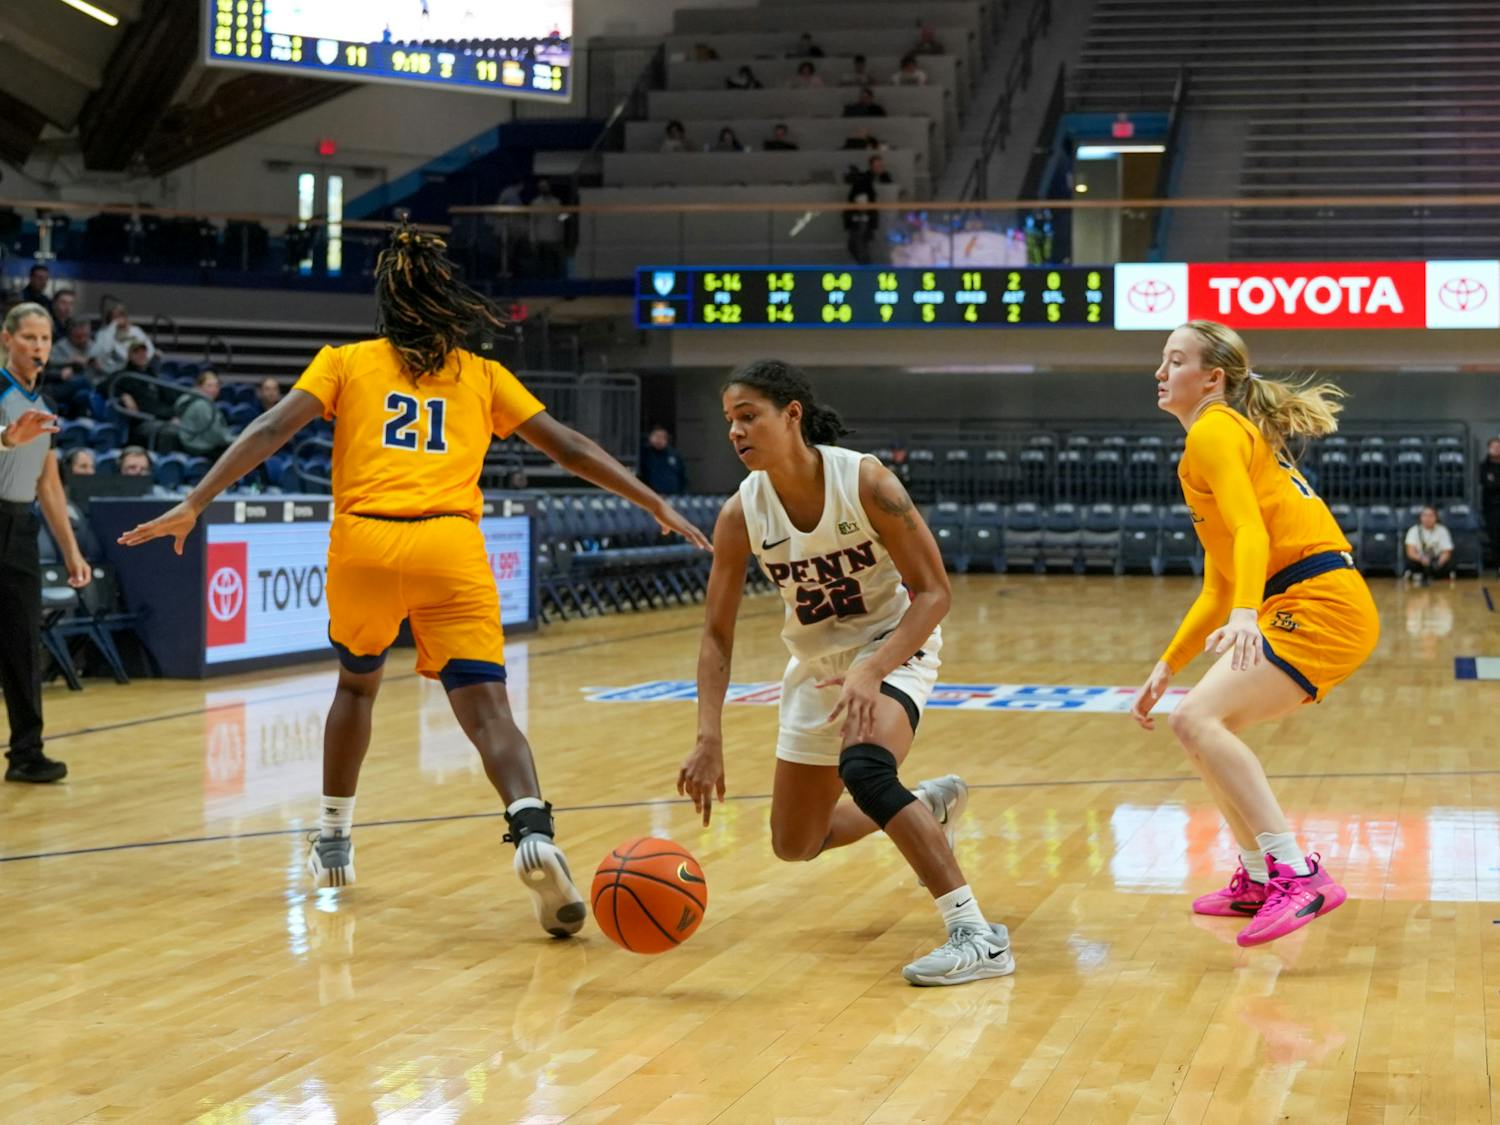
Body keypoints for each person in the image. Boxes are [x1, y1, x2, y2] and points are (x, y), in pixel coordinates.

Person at [120, 227, 710, 938]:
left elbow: (273, 428)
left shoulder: (346, 362)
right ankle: (530, 829)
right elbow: (571, 446)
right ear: (447, 308)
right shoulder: (481, 373)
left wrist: (195, 501)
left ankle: (334, 834)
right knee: (488, 708)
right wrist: (652, 501)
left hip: (366, 540)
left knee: (356, 684)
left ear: (388, 307)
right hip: (448, 545)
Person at [677, 358, 1013, 987]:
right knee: (795, 843)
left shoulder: (864, 482)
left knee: (865, 768)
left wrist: (873, 669)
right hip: (815, 667)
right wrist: (708, 737)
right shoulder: (739, 515)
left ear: (792, 415)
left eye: (748, 416)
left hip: (895, 643)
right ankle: (925, 807)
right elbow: (716, 635)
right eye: (729, 421)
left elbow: (934, 591)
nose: (735, 432)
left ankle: (976, 935)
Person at [1130, 321, 1379, 947]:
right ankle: (1258, 875)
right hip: (1304, 597)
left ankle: (1298, 873)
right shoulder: (1212, 440)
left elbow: (1251, 535)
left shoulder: (1215, 429)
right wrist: (1169, 662)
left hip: (1320, 599)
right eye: (1162, 359)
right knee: (1201, 728)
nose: (1161, 371)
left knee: (1198, 722)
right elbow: (1218, 582)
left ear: (1212, 378)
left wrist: (1247, 613)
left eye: (1176, 359)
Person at [0, 303, 90, 783]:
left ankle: (27, 754)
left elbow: (48, 483)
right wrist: (7, 440)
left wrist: (72, 551)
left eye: (44, 339)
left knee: (22, 642)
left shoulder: (46, 404)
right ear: (6, 339)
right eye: (29, 338)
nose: (38, 347)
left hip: (18, 527)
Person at [174, 369, 234, 460]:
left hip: (200, 443)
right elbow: (214, 434)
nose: (213, 389)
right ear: (199, 387)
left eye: (216, 386)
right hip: (198, 446)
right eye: (209, 386)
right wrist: (233, 440)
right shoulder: (201, 404)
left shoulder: (205, 402)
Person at [90, 304, 155, 371]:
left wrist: (143, 360)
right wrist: (113, 325)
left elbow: (150, 347)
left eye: (121, 315)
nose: (119, 319)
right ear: (110, 320)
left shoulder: (135, 330)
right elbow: (106, 349)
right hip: (121, 368)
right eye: (115, 317)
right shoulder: (104, 333)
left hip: (144, 364)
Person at [1404, 505, 1454, 585]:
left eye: (1431, 515)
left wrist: (1439, 563)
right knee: (1411, 563)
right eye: (1425, 515)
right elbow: (1410, 552)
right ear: (1420, 517)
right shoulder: (1413, 530)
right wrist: (1421, 559)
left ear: (1436, 517)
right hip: (1420, 559)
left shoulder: (1442, 530)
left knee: (1448, 564)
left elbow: (1447, 552)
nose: (1428, 518)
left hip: (1436, 559)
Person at [640, 425, 687, 494]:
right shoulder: (645, 453)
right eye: (657, 436)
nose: (659, 440)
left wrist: (682, 492)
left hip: (673, 495)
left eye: (662, 437)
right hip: (652, 495)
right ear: (650, 437)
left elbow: (682, 475)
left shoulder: (674, 454)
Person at [1481, 437, 1500, 572]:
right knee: (1496, 538)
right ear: (1489, 448)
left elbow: (1493, 484)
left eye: (1499, 447)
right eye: (1494, 447)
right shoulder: (1483, 466)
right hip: (1492, 508)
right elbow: (1488, 485)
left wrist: (1495, 483)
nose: (1497, 449)